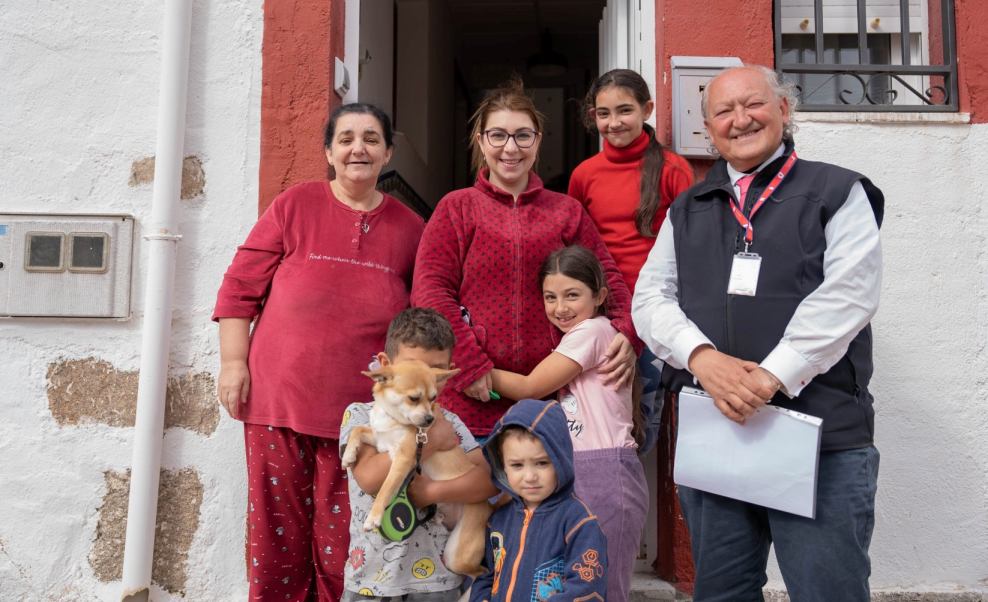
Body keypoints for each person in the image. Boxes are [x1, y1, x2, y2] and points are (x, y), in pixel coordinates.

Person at [632, 65, 884, 601]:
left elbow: (850, 295)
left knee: (827, 591)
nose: (740, 120)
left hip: (820, 436)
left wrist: (770, 376)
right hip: (717, 433)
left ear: (785, 110)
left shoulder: (836, 190)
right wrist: (702, 359)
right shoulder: (688, 208)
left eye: (754, 105)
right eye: (723, 111)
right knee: (722, 592)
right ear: (708, 128)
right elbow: (649, 299)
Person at [213, 103, 425, 600]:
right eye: (346, 138)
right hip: (277, 401)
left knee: (345, 545)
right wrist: (232, 363)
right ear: (329, 151)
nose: (359, 148)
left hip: (361, 416)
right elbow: (239, 290)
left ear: (388, 152)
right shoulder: (295, 205)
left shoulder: (410, 227)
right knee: (276, 537)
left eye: (372, 139)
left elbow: (422, 316)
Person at [412, 78, 639, 441]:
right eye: (498, 135)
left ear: (538, 141)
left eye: (523, 135)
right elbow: (430, 292)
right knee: (471, 495)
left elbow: (606, 279)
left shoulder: (566, 211)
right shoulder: (457, 208)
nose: (510, 148)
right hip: (471, 394)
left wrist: (627, 333)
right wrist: (470, 364)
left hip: (554, 397)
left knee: (541, 497)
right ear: (481, 141)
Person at [488, 245, 646, 602]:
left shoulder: (593, 331)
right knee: (577, 584)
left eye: (572, 295)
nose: (560, 308)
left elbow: (530, 387)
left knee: (602, 589)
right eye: (550, 297)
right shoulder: (582, 334)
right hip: (586, 468)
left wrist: (474, 370)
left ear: (600, 296)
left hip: (606, 470)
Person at [569, 68, 695, 453]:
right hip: (601, 317)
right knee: (596, 422)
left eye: (624, 111)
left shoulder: (674, 170)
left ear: (647, 109)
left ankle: (627, 503)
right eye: (603, 114)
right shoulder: (584, 175)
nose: (613, 122)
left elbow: (692, 251)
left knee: (641, 426)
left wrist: (644, 329)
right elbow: (576, 251)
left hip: (655, 316)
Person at [339, 308, 499, 601]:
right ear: (386, 366)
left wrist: (432, 491)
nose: (422, 380)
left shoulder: (450, 422)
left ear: (446, 373)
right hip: (372, 580)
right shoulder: (361, 416)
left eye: (434, 372)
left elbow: (486, 483)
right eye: (412, 368)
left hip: (438, 580)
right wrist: (429, 444)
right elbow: (369, 479)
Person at [471, 398, 608, 601]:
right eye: (517, 465)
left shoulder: (579, 522)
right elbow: (486, 575)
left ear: (561, 459)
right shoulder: (498, 520)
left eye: (542, 463)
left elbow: (586, 589)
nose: (530, 477)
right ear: (502, 465)